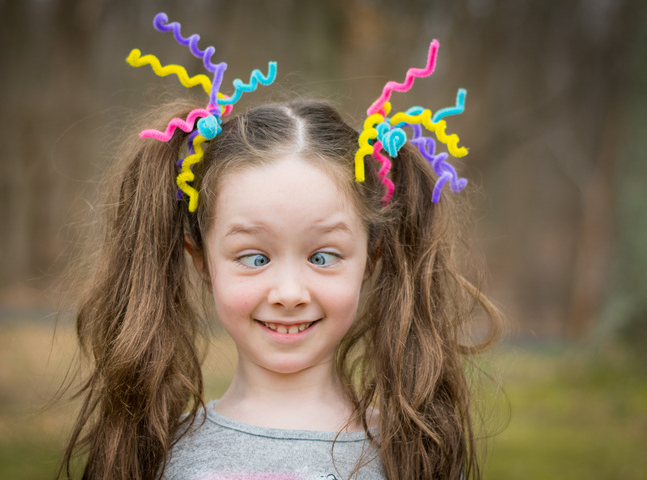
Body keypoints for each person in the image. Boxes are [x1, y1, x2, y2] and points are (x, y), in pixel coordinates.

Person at [57, 13, 502, 480]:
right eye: (254, 257)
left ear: (371, 259)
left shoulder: (411, 456)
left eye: (322, 256)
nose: (289, 293)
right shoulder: (155, 459)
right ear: (201, 260)